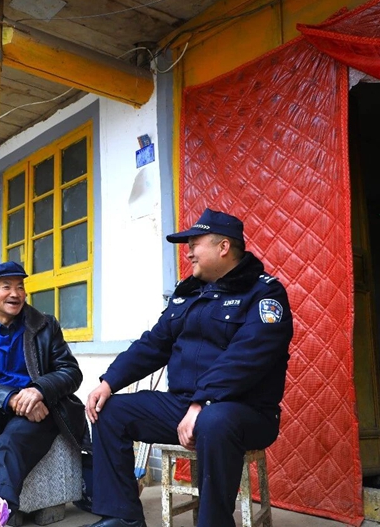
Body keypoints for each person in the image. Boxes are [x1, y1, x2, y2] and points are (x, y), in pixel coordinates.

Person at [86, 208, 293, 527]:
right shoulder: (189, 294)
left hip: (245, 411)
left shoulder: (264, 293)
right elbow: (153, 344)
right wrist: (109, 382)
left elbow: (247, 356)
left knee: (214, 419)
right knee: (109, 412)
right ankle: (122, 518)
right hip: (185, 406)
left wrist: (202, 401)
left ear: (223, 247)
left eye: (195, 244)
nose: (189, 252)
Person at [0, 261, 88, 522]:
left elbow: (71, 372)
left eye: (20, 287)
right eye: (6, 287)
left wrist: (39, 390)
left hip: (40, 408)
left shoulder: (45, 325)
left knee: (12, 438)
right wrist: (11, 398)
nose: (15, 294)